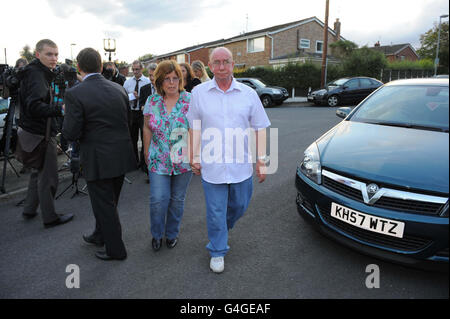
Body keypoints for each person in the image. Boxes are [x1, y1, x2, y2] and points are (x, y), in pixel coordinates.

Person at [187, 47, 270, 273]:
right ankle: (217, 249)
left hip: (241, 165)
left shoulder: (248, 94)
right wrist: (193, 155)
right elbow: (194, 126)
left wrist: (261, 160)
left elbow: (260, 127)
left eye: (226, 62)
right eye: (217, 62)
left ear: (233, 64)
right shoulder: (199, 93)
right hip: (211, 167)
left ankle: (222, 228)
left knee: (240, 206)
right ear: (210, 66)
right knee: (215, 211)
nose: (222, 67)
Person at [63, 48, 136, 261]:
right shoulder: (118, 88)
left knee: (105, 205)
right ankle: (99, 234)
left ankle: (116, 250)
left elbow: (71, 132)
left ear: (78, 67)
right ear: (101, 65)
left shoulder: (74, 93)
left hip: (97, 157)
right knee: (109, 202)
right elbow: (128, 121)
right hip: (121, 154)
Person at [18, 39, 74, 228]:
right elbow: (34, 106)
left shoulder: (36, 72)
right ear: (37, 54)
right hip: (40, 133)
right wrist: (60, 109)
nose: (54, 58)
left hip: (35, 131)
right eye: (49, 54)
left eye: (56, 54)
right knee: (48, 176)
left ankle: (29, 208)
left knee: (37, 172)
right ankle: (50, 217)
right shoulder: (36, 75)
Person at [142, 60, 192, 252]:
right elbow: (147, 127)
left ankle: (171, 234)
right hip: (158, 158)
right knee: (158, 199)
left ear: (180, 79)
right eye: (167, 79)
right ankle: (156, 234)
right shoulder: (152, 101)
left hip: (183, 160)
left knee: (177, 200)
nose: (171, 83)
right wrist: (146, 150)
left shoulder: (190, 100)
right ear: (159, 81)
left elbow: (197, 128)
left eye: (175, 78)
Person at [123, 61, 150, 167]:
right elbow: (123, 96)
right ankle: (135, 161)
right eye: (133, 69)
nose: (134, 71)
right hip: (131, 111)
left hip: (143, 112)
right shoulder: (128, 82)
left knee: (144, 137)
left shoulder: (147, 81)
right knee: (132, 137)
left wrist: (140, 97)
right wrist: (130, 96)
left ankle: (144, 162)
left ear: (142, 69)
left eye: (137, 69)